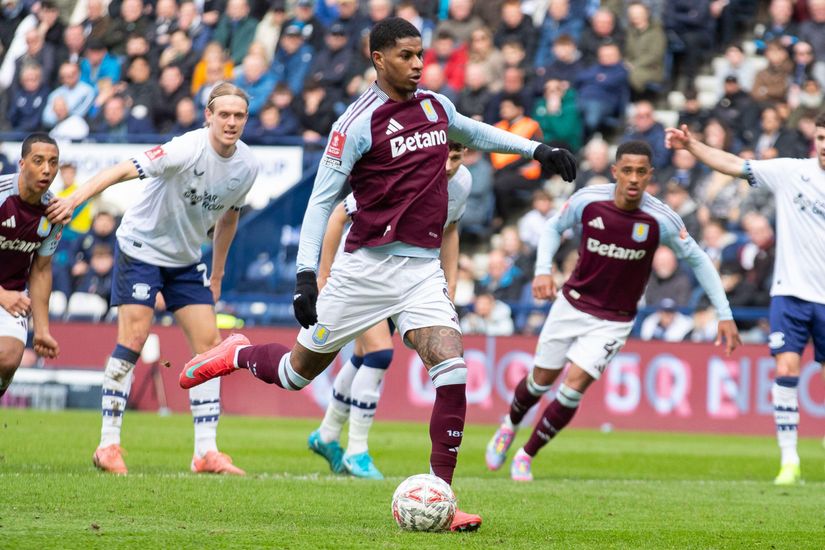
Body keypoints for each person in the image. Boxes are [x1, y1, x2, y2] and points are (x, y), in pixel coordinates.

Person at [178, 17, 576, 532]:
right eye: (407, 56)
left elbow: (474, 130)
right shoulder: (355, 124)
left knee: (453, 372)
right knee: (296, 374)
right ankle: (237, 352)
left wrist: (536, 150)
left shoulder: (436, 106)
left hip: (419, 269)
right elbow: (321, 204)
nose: (417, 64)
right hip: (363, 269)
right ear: (379, 59)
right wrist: (305, 277)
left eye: (421, 55)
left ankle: (443, 499)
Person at [484, 141, 741, 482]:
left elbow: (699, 260)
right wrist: (543, 268)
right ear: (616, 171)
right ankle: (509, 425)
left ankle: (526, 454)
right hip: (572, 303)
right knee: (539, 381)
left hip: (614, 320)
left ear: (650, 176)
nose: (633, 178)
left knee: (573, 388)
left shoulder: (660, 219)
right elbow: (552, 228)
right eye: (627, 170)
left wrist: (724, 313)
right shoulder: (589, 200)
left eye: (641, 172)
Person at [46, 83, 259, 477]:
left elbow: (229, 217)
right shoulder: (186, 148)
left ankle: (206, 453)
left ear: (246, 119)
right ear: (208, 115)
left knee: (210, 348)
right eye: (224, 114)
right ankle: (108, 445)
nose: (231, 122)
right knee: (133, 340)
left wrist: (218, 273)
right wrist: (76, 199)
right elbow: (122, 169)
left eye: (239, 115)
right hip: (140, 247)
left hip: (185, 259)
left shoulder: (247, 166)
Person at [665, 116, 825, 485]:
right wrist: (692, 146)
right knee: (786, 369)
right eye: (819, 137)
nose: (823, 145)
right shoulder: (791, 172)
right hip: (790, 293)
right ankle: (789, 460)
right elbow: (735, 165)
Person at [307, 141, 471, 480]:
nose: (450, 164)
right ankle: (356, 451)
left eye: (457, 157)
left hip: (410, 277)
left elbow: (451, 228)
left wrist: (450, 281)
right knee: (379, 353)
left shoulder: (462, 183)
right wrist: (324, 273)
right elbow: (339, 215)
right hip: (362, 270)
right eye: (446, 155)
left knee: (363, 356)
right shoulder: (407, 171)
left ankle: (326, 434)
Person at [0, 134, 62, 398]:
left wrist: (43, 329)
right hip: (6, 295)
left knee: (8, 359)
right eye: (38, 161)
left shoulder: (55, 211)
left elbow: (41, 269)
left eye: (53, 162)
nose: (47, 169)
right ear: (22, 163)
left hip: (14, 294)